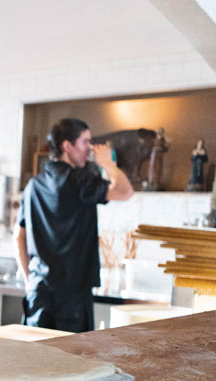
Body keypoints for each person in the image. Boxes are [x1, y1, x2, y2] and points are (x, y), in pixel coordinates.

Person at [14, 118, 133, 333]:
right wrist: (108, 163)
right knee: (71, 364)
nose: (90, 149)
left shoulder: (33, 185)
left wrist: (28, 279)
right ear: (67, 146)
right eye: (85, 142)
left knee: (35, 361)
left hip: (38, 293)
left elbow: (18, 237)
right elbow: (125, 191)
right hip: (72, 299)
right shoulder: (80, 181)